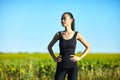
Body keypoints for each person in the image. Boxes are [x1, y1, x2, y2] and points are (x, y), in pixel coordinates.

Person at [47, 12, 91, 80]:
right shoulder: (58, 34)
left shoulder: (77, 34)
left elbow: (88, 47)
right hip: (61, 66)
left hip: (73, 67)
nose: (62, 20)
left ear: (71, 20)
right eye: (61, 19)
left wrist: (80, 57)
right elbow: (49, 47)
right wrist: (54, 58)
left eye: (64, 18)